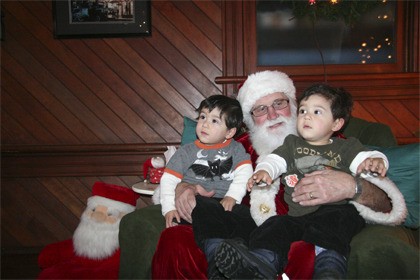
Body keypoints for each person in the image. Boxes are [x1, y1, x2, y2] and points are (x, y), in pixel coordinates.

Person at [118, 70, 404, 279]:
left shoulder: (336, 143)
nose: (273, 114)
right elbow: (188, 172)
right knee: (176, 239)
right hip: (244, 226)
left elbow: (389, 204)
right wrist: (183, 188)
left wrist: (352, 186)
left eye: (280, 103)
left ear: (293, 107)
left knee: (317, 238)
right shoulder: (234, 147)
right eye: (260, 109)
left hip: (311, 226)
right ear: (248, 120)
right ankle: (226, 260)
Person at [213, 84, 389, 279]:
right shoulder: (291, 144)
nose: (307, 116)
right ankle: (262, 263)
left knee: (341, 220)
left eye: (316, 112)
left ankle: (329, 268)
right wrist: (264, 171)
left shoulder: (345, 146)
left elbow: (366, 159)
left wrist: (376, 160)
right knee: (275, 225)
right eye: (304, 111)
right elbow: (275, 161)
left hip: (334, 209)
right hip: (298, 216)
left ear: (336, 124)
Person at [158, 95, 254, 277]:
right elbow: (168, 180)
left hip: (224, 204)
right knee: (203, 206)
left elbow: (245, 172)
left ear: (229, 132)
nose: (205, 124)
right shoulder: (187, 151)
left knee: (246, 216)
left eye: (214, 121)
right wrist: (169, 208)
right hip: (195, 203)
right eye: (202, 117)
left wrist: (232, 196)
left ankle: (243, 256)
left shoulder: (235, 149)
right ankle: (216, 259)